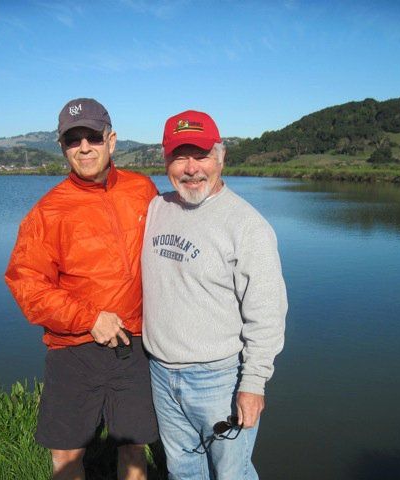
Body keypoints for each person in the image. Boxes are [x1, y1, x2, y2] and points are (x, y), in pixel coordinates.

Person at [5, 98, 159, 480]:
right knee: (67, 456)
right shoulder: (47, 211)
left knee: (133, 448)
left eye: (93, 136)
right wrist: (89, 319)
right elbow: (27, 284)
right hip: (72, 350)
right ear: (62, 147)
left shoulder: (143, 190)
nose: (84, 147)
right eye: (74, 140)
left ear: (112, 141)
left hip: (135, 342)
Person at [142, 110, 287, 479]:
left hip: (219, 378)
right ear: (165, 160)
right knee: (182, 471)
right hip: (161, 372)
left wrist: (253, 383)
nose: (191, 168)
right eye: (179, 156)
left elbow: (267, 312)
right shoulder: (157, 208)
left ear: (220, 157)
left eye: (201, 155)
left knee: (231, 473)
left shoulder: (247, 225)